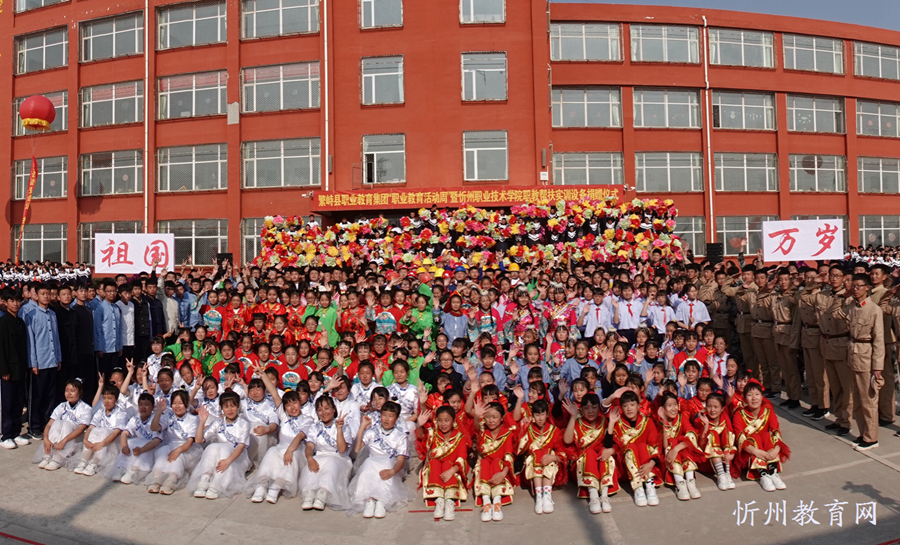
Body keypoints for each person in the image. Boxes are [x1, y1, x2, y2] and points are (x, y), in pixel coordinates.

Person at [247, 367, 311, 504]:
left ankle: (276, 487)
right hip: (281, 447)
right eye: (288, 405)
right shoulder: (284, 415)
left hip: (297, 450)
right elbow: (274, 393)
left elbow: (299, 436)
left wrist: (290, 450)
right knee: (271, 452)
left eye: (295, 403)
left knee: (291, 458)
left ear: (300, 402)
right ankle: (262, 485)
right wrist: (263, 375)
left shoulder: (307, 420)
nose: (292, 407)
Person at [840, 274, 885, 451]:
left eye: (859, 286)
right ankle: (863, 433)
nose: (856, 289)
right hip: (853, 354)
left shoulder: (874, 309)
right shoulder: (852, 306)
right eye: (854, 286)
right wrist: (842, 296)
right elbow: (836, 314)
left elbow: (879, 340)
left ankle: (872, 438)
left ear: (867, 288)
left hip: (867, 356)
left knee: (868, 400)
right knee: (857, 399)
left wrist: (877, 367)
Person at [348, 401, 410, 518]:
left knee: (386, 464)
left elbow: (400, 460)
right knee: (368, 463)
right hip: (372, 462)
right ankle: (369, 500)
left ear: (396, 418)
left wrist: (392, 471)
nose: (386, 419)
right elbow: (357, 449)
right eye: (384, 415)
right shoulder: (372, 431)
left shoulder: (401, 436)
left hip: (391, 465)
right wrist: (362, 427)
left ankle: (382, 501)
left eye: (390, 416)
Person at [189, 391, 252, 499]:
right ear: (222, 408)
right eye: (226, 407)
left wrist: (228, 461)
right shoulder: (218, 422)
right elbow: (199, 440)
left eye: (233, 406)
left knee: (224, 449)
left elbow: (241, 447)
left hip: (237, 457)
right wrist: (202, 422)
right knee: (212, 447)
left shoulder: (244, 424)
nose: (230, 410)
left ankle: (217, 484)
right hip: (220, 455)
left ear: (238, 406)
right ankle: (205, 479)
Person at [562, 393, 616, 514]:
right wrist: (573, 417)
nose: (590, 411)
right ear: (582, 410)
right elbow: (567, 440)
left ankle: (604, 495)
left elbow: (613, 445)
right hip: (582, 466)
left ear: (599, 409)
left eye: (594, 407)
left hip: (601, 464)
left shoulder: (605, 422)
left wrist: (610, 450)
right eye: (586, 408)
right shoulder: (578, 423)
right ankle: (594, 496)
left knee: (605, 452)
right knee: (590, 452)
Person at [733, 381, 790, 492]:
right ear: (744, 399)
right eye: (750, 395)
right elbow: (740, 438)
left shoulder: (768, 412)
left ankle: (773, 472)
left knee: (767, 435)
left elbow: (776, 431)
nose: (754, 398)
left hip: (767, 448)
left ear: (762, 396)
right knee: (754, 437)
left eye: (757, 394)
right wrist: (756, 451)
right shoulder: (739, 414)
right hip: (750, 451)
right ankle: (763, 474)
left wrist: (775, 450)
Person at [415, 406, 469, 521]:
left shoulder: (460, 437)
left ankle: (449, 501)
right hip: (436, 470)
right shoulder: (433, 434)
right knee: (434, 462)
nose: (443, 424)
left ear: (453, 421)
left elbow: (462, 458)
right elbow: (421, 437)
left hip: (453, 470)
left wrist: (451, 471)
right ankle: (439, 499)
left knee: (447, 464)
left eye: (447, 420)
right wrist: (419, 425)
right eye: (440, 420)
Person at [299, 396, 352, 511]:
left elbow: (342, 450)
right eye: (320, 410)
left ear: (334, 409)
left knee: (331, 465)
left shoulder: (344, 426)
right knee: (312, 468)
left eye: (327, 408)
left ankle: (322, 495)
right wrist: (310, 458)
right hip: (320, 456)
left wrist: (339, 429)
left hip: (339, 458)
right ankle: (309, 494)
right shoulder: (315, 427)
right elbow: (309, 446)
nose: (323, 412)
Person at [25, 283, 63, 439]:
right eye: (43, 294)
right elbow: (30, 341)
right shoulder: (31, 315)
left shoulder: (52, 314)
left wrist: (58, 358)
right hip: (39, 363)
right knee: (37, 397)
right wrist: (33, 363)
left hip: (52, 361)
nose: (46, 296)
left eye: (48, 293)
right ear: (36, 295)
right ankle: (34, 426)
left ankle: (47, 424)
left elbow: (56, 338)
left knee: (50, 395)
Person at [146, 391, 202, 495]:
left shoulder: (193, 419)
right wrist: (159, 412)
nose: (177, 406)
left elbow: (190, 441)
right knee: (163, 451)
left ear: (186, 404)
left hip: (188, 449)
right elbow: (154, 428)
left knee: (178, 456)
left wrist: (178, 450)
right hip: (171, 445)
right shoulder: (169, 416)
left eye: (180, 403)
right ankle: (156, 478)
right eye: (174, 403)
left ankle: (172, 480)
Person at [516, 399, 565, 515]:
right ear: (532, 415)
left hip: (551, 471)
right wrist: (522, 429)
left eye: (542, 414)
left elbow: (563, 454)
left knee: (548, 453)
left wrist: (553, 458)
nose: (540, 418)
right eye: (537, 415)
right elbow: (519, 450)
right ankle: (539, 496)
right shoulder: (528, 429)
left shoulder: (554, 430)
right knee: (537, 453)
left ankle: (547, 495)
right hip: (532, 472)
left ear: (547, 415)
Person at [472, 401, 517, 522]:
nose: (491, 420)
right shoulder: (483, 431)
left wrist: (503, 473)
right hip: (484, 468)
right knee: (484, 462)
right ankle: (486, 502)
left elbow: (508, 456)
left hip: (500, 468)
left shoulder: (507, 434)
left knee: (496, 461)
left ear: (502, 418)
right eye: (487, 417)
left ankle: (497, 502)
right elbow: (476, 428)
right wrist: (476, 416)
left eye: (495, 417)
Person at [34, 379, 91, 471]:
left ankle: (59, 458)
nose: (69, 394)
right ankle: (48, 455)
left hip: (75, 439)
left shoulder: (86, 408)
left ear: (80, 392)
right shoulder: (62, 406)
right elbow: (49, 425)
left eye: (72, 391)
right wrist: (46, 438)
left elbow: (81, 429)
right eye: (66, 390)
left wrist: (64, 440)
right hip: (60, 439)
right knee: (57, 423)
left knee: (66, 424)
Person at [0, 289, 30, 449]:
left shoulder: (20, 322)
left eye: (18, 301)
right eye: (12, 301)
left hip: (20, 369)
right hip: (8, 371)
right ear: (6, 302)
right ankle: (5, 435)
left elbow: (23, 348)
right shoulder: (3, 322)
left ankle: (16, 432)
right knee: (8, 403)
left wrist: (25, 368)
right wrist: (3, 370)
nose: (16, 304)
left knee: (18, 402)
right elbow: (1, 348)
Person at [73, 385, 126, 477]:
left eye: (110, 398)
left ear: (116, 399)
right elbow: (90, 428)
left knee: (104, 432)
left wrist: (102, 443)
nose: (106, 401)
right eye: (104, 398)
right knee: (95, 431)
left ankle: (95, 463)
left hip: (111, 443)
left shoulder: (121, 414)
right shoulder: (100, 411)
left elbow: (116, 432)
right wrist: (85, 440)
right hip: (98, 441)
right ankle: (84, 460)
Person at [109, 392, 162, 485]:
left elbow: (156, 441)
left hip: (153, 447)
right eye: (141, 405)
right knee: (130, 443)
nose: (143, 408)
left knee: (146, 449)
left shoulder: (156, 419)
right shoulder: (135, 419)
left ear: (153, 407)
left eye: (147, 405)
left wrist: (142, 450)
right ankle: (122, 468)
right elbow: (124, 433)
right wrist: (124, 446)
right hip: (140, 444)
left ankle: (135, 471)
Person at [93, 280, 123, 380]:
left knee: (114, 373)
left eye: (114, 291)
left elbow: (119, 329)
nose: (112, 294)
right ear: (104, 292)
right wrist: (99, 348)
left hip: (115, 347)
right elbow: (97, 329)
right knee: (104, 374)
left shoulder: (116, 308)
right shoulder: (100, 308)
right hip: (105, 348)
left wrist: (120, 346)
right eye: (109, 291)